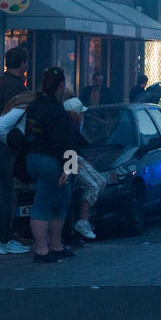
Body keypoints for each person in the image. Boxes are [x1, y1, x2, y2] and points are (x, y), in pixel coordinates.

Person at [23, 67, 84, 263]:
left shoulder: (35, 106)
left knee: (61, 201)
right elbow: (67, 141)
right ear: (61, 85)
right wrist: (70, 169)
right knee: (45, 204)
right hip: (51, 161)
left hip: (34, 157)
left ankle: (55, 245)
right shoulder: (57, 111)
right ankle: (42, 249)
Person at [0, 47, 30, 255]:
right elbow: (5, 123)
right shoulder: (16, 88)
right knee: (6, 194)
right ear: (22, 63)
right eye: (26, 62)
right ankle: (4, 238)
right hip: (2, 145)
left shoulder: (3, 81)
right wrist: (11, 143)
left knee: (0, 193)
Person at [62, 97, 107, 243]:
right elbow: (69, 149)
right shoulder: (68, 128)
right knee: (92, 185)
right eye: (80, 113)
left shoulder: (74, 127)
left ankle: (83, 219)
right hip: (71, 159)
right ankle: (81, 221)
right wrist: (69, 169)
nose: (82, 117)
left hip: (74, 158)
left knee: (100, 181)